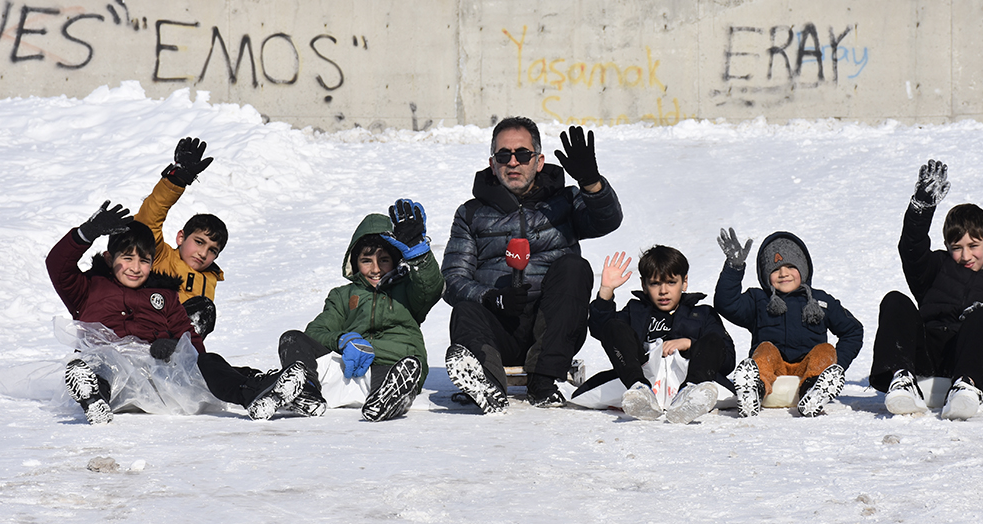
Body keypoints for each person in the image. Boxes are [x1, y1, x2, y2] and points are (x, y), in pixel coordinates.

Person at [442, 118, 623, 412]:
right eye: (504, 155)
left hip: (553, 329)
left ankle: (543, 382)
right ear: (492, 163)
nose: (513, 162)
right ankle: (487, 384)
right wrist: (492, 298)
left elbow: (608, 220)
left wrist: (592, 183)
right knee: (464, 310)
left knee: (574, 267)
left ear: (538, 161)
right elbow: (452, 280)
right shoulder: (471, 213)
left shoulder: (566, 201)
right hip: (498, 330)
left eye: (523, 154)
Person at [869, 159, 983, 420]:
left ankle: (966, 386)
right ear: (947, 246)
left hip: (975, 358)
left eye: (973, 246)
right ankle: (901, 379)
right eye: (957, 248)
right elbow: (911, 249)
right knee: (895, 300)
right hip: (928, 355)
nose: (966, 256)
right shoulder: (936, 268)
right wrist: (921, 208)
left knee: (982, 315)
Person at [48, 201, 221, 424]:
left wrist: (179, 348)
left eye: (144, 261)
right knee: (100, 365)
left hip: (151, 374)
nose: (135, 268)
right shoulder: (89, 288)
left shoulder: (161, 294)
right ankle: (94, 398)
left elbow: (186, 333)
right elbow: (57, 266)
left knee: (208, 349)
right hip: (106, 367)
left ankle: (254, 387)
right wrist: (85, 233)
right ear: (109, 258)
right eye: (127, 258)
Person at [273, 200, 445, 422]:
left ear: (396, 260)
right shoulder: (342, 295)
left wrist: (418, 255)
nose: (375, 269)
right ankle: (306, 392)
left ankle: (388, 398)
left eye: (384, 260)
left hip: (395, 364)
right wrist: (343, 340)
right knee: (292, 339)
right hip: (351, 368)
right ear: (355, 263)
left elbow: (431, 287)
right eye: (366, 261)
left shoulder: (409, 290)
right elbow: (316, 332)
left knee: (399, 369)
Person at [580, 245, 736, 424]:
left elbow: (727, 359)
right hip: (641, 377)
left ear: (684, 282)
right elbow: (602, 331)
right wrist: (606, 292)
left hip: (692, 377)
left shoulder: (703, 314)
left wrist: (690, 344)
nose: (663, 291)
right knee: (614, 326)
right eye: (655, 283)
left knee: (714, 340)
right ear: (644, 285)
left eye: (671, 282)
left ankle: (689, 395)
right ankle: (639, 391)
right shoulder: (635, 311)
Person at [715, 229, 863, 418]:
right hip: (773, 377)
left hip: (807, 374)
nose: (783, 273)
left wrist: (836, 366)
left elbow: (852, 331)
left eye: (791, 267)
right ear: (766, 274)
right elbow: (726, 304)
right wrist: (734, 268)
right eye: (775, 269)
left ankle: (817, 390)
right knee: (765, 349)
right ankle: (754, 390)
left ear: (803, 268)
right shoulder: (758, 300)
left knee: (824, 350)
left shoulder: (821, 301)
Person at [134, 137, 228, 338]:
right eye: (199, 242)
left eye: (212, 250)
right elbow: (147, 222)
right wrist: (176, 179)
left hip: (181, 347)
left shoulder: (209, 279)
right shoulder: (161, 257)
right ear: (181, 238)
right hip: (145, 336)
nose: (203, 253)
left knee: (204, 309)